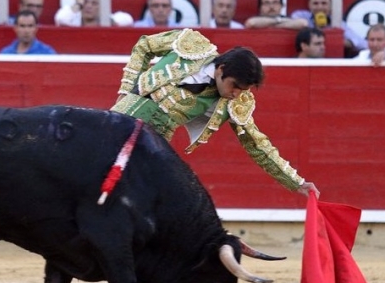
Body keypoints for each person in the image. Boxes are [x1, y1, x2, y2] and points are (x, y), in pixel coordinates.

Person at [110, 28, 319, 197]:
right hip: (118, 120)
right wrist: (126, 90)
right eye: (234, 85)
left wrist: (297, 182)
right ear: (221, 69)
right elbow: (145, 45)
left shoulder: (231, 103)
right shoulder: (190, 44)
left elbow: (257, 145)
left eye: (242, 90)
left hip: (152, 143)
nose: (236, 94)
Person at [290, 0, 367, 57]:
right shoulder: (301, 16)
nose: (320, 7)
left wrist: (340, 41)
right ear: (309, 4)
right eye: (315, 3)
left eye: (324, 3)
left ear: (330, 5)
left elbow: (362, 44)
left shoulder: (336, 22)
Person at [245, 0, 310, 29]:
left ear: (282, 5)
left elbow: (304, 23)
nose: (271, 6)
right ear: (260, 7)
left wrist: (274, 24)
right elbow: (251, 23)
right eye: (267, 3)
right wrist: (279, 21)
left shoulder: (285, 19)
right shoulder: (256, 20)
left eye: (275, 2)